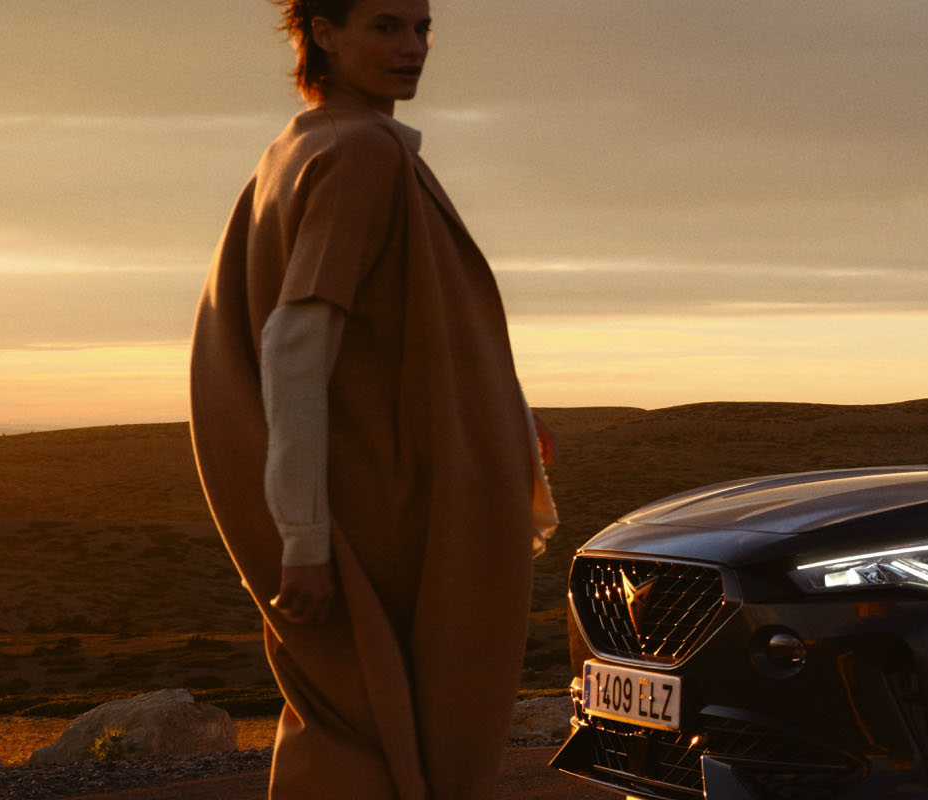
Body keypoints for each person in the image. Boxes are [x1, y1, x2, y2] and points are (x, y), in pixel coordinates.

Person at [186, 0, 560, 796]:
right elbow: (295, 344)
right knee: (414, 727)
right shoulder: (364, 151)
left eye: (422, 29)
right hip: (393, 510)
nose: (413, 47)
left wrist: (506, 415)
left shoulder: (297, 147)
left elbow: (393, 331)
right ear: (323, 33)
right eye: (386, 27)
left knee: (354, 715)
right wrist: (303, 539)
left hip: (362, 497)